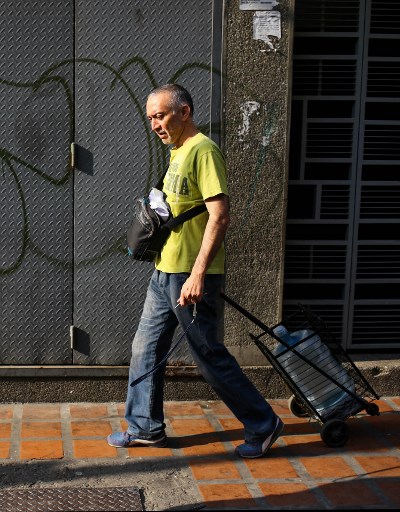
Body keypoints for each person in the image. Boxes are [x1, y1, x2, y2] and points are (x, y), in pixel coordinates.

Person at [108, 84, 283, 458]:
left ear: (184, 112)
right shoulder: (177, 151)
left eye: (161, 115)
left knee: (209, 357)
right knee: (145, 348)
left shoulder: (203, 150)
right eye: (151, 118)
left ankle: (264, 424)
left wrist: (199, 274)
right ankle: (145, 428)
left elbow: (219, 216)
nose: (155, 124)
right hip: (164, 273)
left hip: (190, 276)